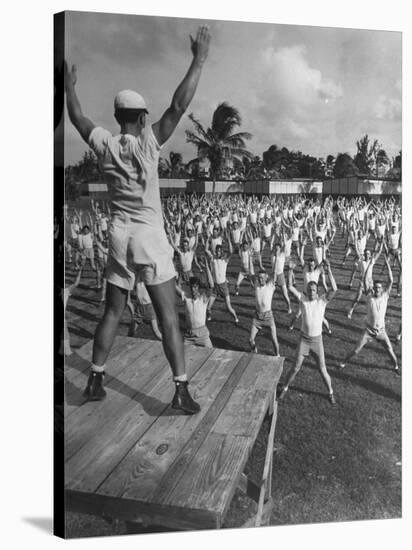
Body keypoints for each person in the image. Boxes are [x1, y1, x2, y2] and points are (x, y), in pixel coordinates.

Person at [65, 24, 211, 414]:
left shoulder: (106, 145)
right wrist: (198, 60)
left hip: (118, 236)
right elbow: (179, 106)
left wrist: (69, 85)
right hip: (149, 237)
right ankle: (180, 389)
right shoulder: (148, 144)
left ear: (116, 117)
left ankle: (95, 377)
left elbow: (78, 118)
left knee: (112, 310)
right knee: (167, 316)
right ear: (143, 118)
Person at [278, 259, 338, 405]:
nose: (311, 292)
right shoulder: (303, 299)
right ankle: (284, 389)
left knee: (322, 370)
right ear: (307, 291)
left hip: (317, 342)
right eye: (309, 290)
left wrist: (329, 270)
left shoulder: (322, 301)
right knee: (295, 368)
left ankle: (330, 392)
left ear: (317, 291)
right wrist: (290, 270)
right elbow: (290, 286)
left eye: (314, 290)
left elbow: (334, 289)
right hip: (304, 340)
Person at [339, 255, 400, 375]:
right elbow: (365, 279)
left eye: (379, 288)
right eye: (375, 288)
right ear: (373, 289)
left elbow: (391, 280)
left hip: (381, 331)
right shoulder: (369, 297)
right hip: (368, 331)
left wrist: (387, 264)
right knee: (356, 350)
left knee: (389, 350)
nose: (377, 290)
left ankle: (396, 367)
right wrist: (368, 268)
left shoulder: (385, 296)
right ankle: (343, 362)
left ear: (382, 289)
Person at [249, 269, 280, 356]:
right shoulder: (256, 285)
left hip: (268, 317)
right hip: (257, 317)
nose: (260, 280)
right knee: (250, 340)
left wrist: (276, 257)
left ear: (266, 278)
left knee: (274, 340)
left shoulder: (270, 286)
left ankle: (277, 355)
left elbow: (274, 273)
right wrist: (249, 257)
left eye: (262, 278)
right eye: (259, 278)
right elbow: (250, 274)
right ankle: (254, 348)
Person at [181, 276, 213, 348]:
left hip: (203, 336)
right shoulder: (186, 298)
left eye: (195, 287)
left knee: (212, 357)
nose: (193, 289)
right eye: (191, 287)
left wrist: (207, 266)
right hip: (189, 336)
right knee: (182, 356)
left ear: (199, 287)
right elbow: (174, 287)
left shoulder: (203, 298)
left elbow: (211, 285)